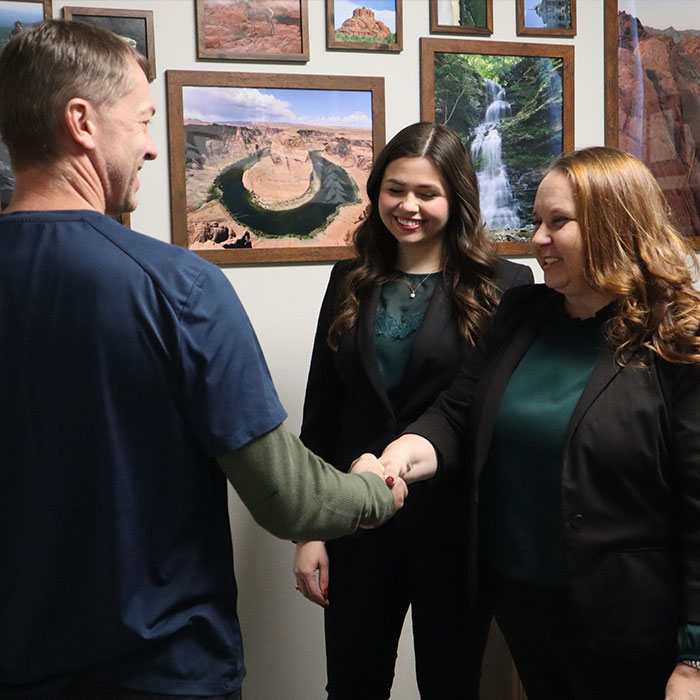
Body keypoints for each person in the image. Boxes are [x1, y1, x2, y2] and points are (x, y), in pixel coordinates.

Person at [0, 20, 407, 700]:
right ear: (82, 123)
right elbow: (290, 497)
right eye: (142, 121)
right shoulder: (177, 287)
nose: (154, 149)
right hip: (160, 670)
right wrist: (375, 490)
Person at [368, 146, 700, 700]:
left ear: (614, 225)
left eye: (558, 222)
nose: (537, 240)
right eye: (537, 222)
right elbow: (456, 413)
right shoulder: (522, 313)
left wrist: (693, 656)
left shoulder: (677, 341)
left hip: (632, 627)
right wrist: (398, 456)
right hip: (522, 606)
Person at [293, 121, 533, 700]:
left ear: (457, 199)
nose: (408, 206)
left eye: (427, 193)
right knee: (353, 684)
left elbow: (489, 416)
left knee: (451, 687)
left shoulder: (507, 286)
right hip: (357, 522)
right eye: (395, 189)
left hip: (456, 534)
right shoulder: (347, 279)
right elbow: (321, 413)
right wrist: (310, 530)